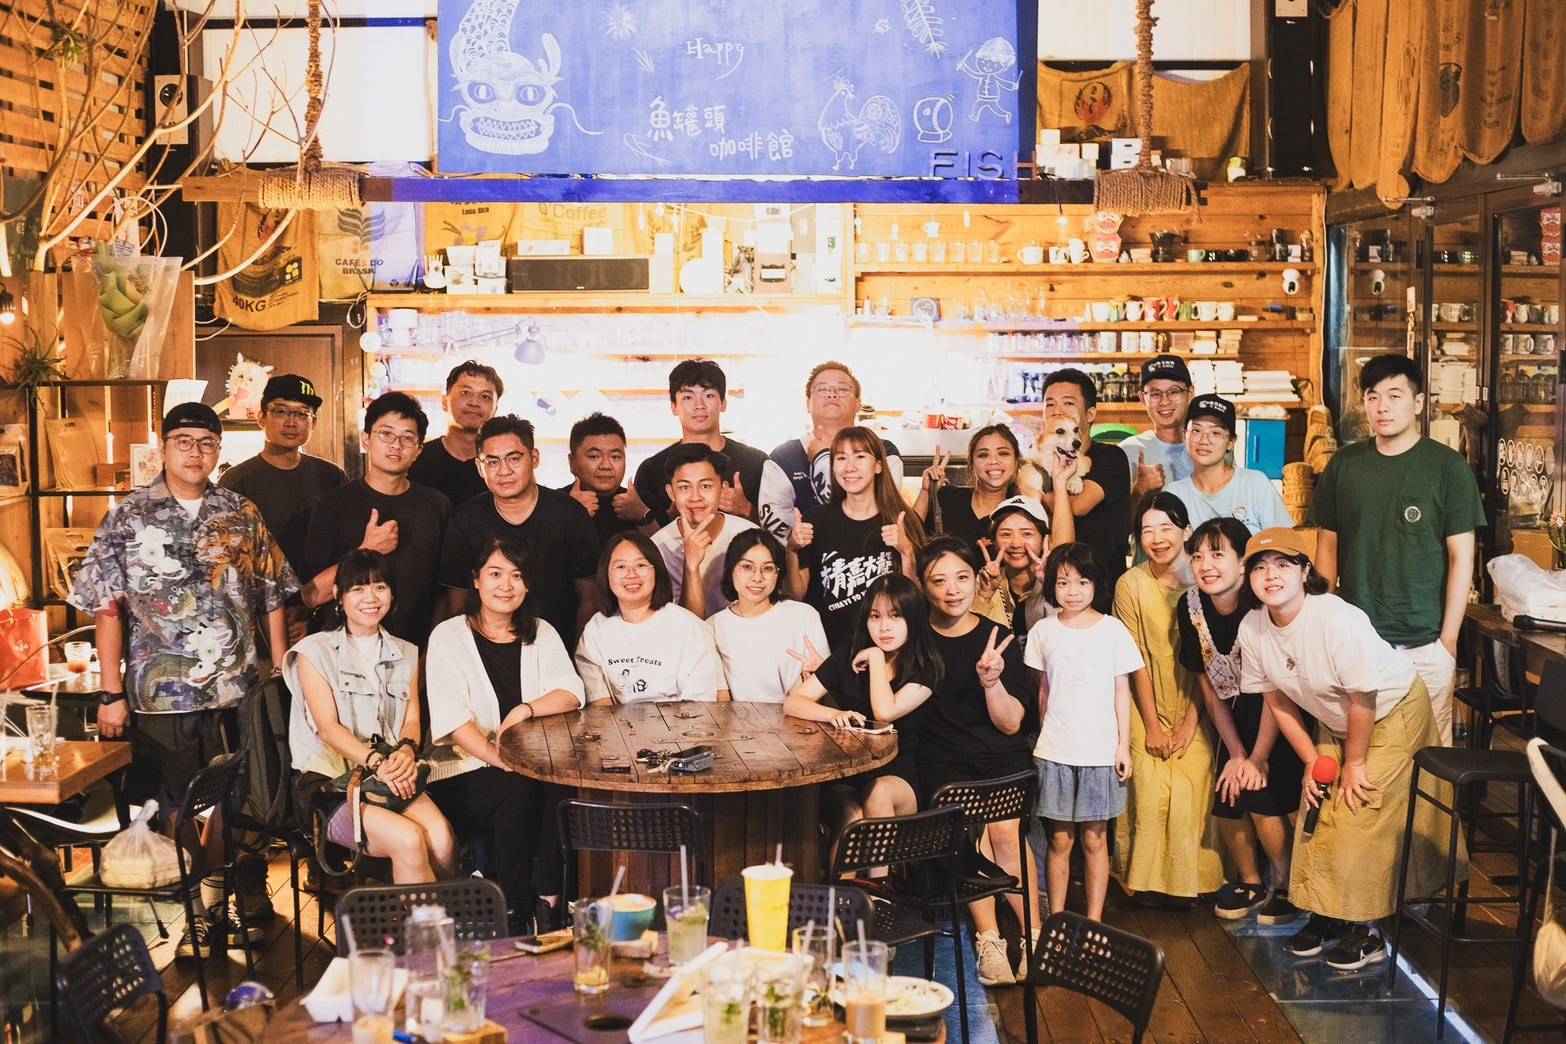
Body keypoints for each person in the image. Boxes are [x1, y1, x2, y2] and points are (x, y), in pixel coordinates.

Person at [71, 401, 297, 957]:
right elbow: (106, 609)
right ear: (163, 446)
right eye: (184, 441)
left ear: (219, 449)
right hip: (160, 694)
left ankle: (220, 901)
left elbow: (272, 594)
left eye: (207, 442)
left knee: (235, 802)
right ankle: (194, 914)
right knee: (175, 805)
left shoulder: (240, 511)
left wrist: (280, 670)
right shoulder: (128, 517)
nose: (196, 452)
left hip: (236, 689)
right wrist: (110, 693)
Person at [1238, 527, 1462, 971]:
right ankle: (1328, 915)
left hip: (1391, 712)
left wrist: (1355, 763)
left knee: (1360, 808)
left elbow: (1363, 697)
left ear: (1305, 572)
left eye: (1283, 565)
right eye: (1260, 567)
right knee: (1318, 808)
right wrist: (1311, 760)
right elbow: (1277, 701)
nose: (1271, 575)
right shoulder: (1253, 627)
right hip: (1336, 721)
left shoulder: (1335, 619)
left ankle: (1367, 929)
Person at [1308, 353, 1484, 747]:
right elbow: (1327, 550)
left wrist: (1448, 641)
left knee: (1429, 756)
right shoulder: (1345, 465)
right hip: (1357, 641)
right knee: (1359, 753)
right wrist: (1321, 626)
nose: (1382, 407)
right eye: (1372, 397)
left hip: (1425, 642)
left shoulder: (1448, 467)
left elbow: (1462, 558)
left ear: (1418, 403)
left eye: (1394, 395)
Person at [425, 538, 586, 934]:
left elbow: (571, 692)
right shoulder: (448, 636)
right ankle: (513, 911)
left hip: (529, 767)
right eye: (495, 574)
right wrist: (502, 759)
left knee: (558, 785)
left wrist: (525, 709)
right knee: (516, 788)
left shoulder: (541, 632)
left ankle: (549, 900)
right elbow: (453, 722)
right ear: (476, 580)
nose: (506, 585)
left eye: (517, 576)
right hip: (461, 771)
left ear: (527, 584)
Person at [285, 550, 455, 886]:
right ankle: (427, 921)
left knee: (443, 840)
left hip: (385, 778)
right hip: (328, 784)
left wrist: (405, 751)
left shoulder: (406, 652)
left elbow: (411, 722)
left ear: (392, 594)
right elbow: (327, 729)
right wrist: (378, 762)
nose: (371, 598)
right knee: (408, 839)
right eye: (358, 589)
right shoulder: (313, 651)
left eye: (380, 587)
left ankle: (423, 913)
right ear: (338, 596)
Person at [916, 537, 1039, 987]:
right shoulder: (915, 640)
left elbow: (1011, 724)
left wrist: (991, 682)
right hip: (944, 762)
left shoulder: (997, 638)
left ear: (975, 579)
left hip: (1001, 757)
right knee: (969, 832)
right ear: (923, 586)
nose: (953, 590)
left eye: (962, 578)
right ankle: (989, 939)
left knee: (1004, 832)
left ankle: (1033, 934)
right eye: (939, 580)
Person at [1177, 518, 1302, 925]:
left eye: (1217, 554)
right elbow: (1207, 685)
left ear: (1242, 562)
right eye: (1197, 556)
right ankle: (1251, 881)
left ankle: (1287, 885)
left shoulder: (1262, 604)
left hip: (1278, 712)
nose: (1206, 565)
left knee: (1261, 792)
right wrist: (1235, 752)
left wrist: (1256, 757)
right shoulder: (1190, 606)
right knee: (1228, 794)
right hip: (1229, 713)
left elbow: (1276, 692)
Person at [1112, 492, 1224, 902]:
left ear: (1186, 531)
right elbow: (1135, 658)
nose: (1157, 539)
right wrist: (1154, 725)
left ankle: (1191, 884)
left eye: (1166, 528)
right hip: (1144, 702)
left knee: (1193, 777)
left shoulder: (1204, 582)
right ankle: (1143, 882)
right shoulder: (1130, 584)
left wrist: (1188, 724)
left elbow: (1208, 664)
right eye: (1147, 531)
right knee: (1148, 777)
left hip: (1200, 702)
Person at [1025, 542, 1140, 922]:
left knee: (1095, 839)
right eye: (1062, 582)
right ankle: (1056, 919)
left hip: (1099, 753)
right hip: (1055, 751)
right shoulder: (1043, 631)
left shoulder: (1113, 630)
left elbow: (1122, 691)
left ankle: (1094, 921)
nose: (1071, 591)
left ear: (1096, 584)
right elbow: (1044, 691)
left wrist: (1123, 747)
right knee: (1059, 840)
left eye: (1081, 582)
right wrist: (1045, 737)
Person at [785, 574, 940, 833]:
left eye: (895, 616)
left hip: (899, 776)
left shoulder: (926, 666)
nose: (884, 627)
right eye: (875, 616)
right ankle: (855, 864)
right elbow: (793, 703)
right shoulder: (850, 652)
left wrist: (876, 656)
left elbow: (884, 712)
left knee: (878, 794)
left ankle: (881, 864)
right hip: (847, 772)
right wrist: (833, 714)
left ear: (913, 618)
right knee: (851, 816)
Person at [302, 392, 449, 644]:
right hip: (344, 650)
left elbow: (445, 593)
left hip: (415, 648)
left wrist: (432, 651)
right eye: (386, 434)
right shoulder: (334, 504)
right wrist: (367, 549)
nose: (396, 445)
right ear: (366, 439)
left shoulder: (437, 505)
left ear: (418, 450)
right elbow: (311, 596)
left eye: (407, 438)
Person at [438, 415, 599, 644]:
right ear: (479, 467)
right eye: (492, 462)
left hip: (556, 648)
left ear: (534, 458)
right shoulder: (464, 520)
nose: (504, 471)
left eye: (514, 459)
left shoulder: (570, 515)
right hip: (485, 648)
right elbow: (458, 605)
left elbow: (589, 598)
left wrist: (577, 655)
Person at [788, 427, 923, 650]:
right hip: (828, 651)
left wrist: (906, 551)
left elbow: (916, 602)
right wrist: (792, 549)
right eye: (841, 458)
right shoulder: (815, 520)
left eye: (860, 457)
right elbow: (796, 595)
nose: (849, 467)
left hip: (889, 651)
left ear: (878, 465)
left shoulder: (901, 520)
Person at [627, 359, 793, 539]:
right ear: (674, 406)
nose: (699, 405)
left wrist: (747, 510)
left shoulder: (756, 463)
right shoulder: (652, 470)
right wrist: (673, 515)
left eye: (709, 395)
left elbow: (783, 538)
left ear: (723, 403)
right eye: (688, 397)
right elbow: (645, 546)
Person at [218, 374, 346, 592]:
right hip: (262, 603)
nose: (291, 422)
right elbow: (227, 560)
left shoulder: (331, 476)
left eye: (301, 414)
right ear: (261, 417)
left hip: (324, 599)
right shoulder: (236, 481)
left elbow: (344, 546)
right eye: (280, 411)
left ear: (313, 422)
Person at [575, 532, 723, 703]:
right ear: (605, 575)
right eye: (620, 566)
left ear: (657, 571)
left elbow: (698, 703)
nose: (631, 574)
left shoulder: (687, 626)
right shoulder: (595, 629)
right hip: (617, 720)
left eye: (641, 565)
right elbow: (601, 705)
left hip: (682, 718)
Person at [709, 530, 829, 702]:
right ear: (730, 570)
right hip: (739, 718)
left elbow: (822, 691)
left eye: (768, 568)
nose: (757, 577)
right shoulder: (713, 627)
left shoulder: (804, 616)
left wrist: (816, 681)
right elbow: (721, 702)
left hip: (799, 714)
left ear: (777, 573)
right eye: (747, 567)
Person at [770, 361, 904, 510]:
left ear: (858, 403)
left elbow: (880, 511)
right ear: (808, 403)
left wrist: (821, 459)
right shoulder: (783, 456)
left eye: (842, 389)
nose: (832, 394)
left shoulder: (884, 451)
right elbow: (777, 517)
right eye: (822, 389)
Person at [1041, 368, 1132, 588]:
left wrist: (1037, 496)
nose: (1057, 410)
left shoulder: (1111, 457)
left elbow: (1078, 505)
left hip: (1101, 584)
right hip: (1052, 582)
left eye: (1068, 403)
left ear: (1090, 414)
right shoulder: (1039, 461)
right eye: (1050, 404)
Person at [650, 443, 759, 618]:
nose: (695, 497)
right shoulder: (657, 547)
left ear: (723, 489)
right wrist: (690, 565)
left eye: (706, 486)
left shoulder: (750, 536)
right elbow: (680, 625)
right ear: (671, 493)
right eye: (684, 487)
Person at [1164, 394, 1291, 536]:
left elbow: (1284, 541)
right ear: (1184, 436)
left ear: (1231, 442)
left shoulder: (1255, 485)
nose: (1204, 440)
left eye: (1215, 433)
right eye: (1196, 431)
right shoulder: (1174, 494)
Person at [972, 491, 1075, 639]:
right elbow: (970, 639)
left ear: (1045, 540)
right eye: (1006, 534)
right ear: (994, 542)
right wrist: (985, 595)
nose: (1015, 544)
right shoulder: (982, 582)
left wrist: (1052, 586)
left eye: (1027, 534)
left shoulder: (1061, 583)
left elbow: (1072, 636)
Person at [408, 360, 502, 508]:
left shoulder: (502, 467)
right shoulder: (415, 460)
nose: (474, 402)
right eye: (465, 393)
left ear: (495, 409)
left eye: (485, 396)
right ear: (444, 402)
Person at [911, 425, 1020, 548]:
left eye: (1003, 453)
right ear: (971, 464)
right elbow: (908, 538)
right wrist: (926, 492)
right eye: (983, 455)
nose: (993, 461)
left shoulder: (1021, 512)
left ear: (1016, 461)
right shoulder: (946, 498)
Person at [560, 413, 656, 543]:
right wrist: (570, 514)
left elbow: (667, 553)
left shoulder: (643, 502)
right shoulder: (552, 503)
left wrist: (643, 516)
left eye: (615, 457)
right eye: (594, 457)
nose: (606, 466)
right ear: (572, 462)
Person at [1119, 354, 1194, 499]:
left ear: (1190, 393)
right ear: (1143, 398)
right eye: (1155, 394)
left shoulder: (1211, 447)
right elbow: (1114, 513)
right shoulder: (1127, 451)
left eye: (1174, 391)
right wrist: (1139, 491)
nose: (1164, 402)